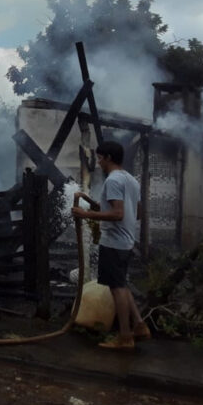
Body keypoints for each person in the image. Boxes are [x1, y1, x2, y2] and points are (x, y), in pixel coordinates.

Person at [71, 140, 151, 350]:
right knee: (121, 284)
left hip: (114, 243)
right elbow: (137, 213)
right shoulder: (130, 180)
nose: (97, 162)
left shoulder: (113, 180)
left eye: (99, 158)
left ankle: (125, 337)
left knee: (117, 288)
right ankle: (140, 325)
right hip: (126, 241)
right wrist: (98, 206)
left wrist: (85, 213)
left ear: (108, 158)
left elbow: (117, 213)